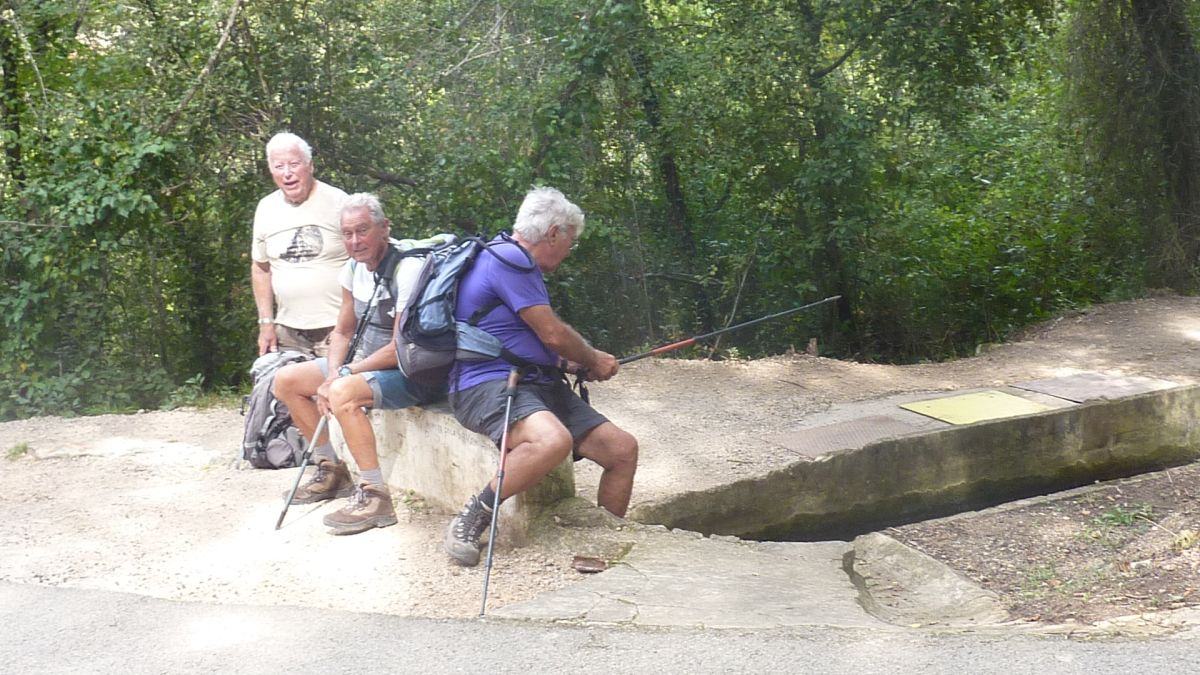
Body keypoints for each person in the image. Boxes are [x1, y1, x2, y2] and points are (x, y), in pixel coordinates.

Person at [443, 187, 638, 566]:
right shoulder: (509, 261)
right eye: (571, 241)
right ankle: (473, 516)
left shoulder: (508, 258)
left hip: (535, 380)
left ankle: (602, 544)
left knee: (622, 450)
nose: (569, 250)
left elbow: (520, 337)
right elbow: (553, 333)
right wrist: (593, 358)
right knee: (553, 441)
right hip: (485, 383)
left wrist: (569, 364)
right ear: (553, 233)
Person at [273, 193, 443, 534]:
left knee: (343, 393)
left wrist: (345, 375)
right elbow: (343, 331)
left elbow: (400, 347)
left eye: (363, 231)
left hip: (411, 372)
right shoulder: (353, 268)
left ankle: (375, 494)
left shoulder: (406, 268)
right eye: (347, 233)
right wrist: (334, 371)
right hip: (364, 367)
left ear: (384, 228)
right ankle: (331, 470)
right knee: (286, 381)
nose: (355, 241)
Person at [251, 132, 349, 357]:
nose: (287, 173)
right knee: (283, 388)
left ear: (310, 166)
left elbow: (364, 263)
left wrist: (351, 322)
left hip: (337, 328)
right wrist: (266, 323)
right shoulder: (266, 208)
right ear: (271, 171)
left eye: (294, 164)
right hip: (288, 332)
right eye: (279, 166)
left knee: (335, 390)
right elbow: (260, 268)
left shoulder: (339, 202)